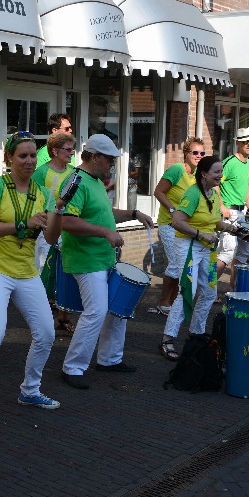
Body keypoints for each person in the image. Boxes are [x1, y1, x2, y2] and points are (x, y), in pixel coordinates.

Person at [0, 132, 66, 442]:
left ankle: (30, 390)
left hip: (25, 270)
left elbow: (49, 237)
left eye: (34, 155)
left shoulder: (43, 191)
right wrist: (24, 224)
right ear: (9, 158)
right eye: (23, 155)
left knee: (46, 333)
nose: (30, 161)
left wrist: (57, 210)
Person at [59, 134, 154, 389]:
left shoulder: (95, 181)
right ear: (94, 157)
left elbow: (104, 213)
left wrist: (134, 213)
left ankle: (109, 359)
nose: (112, 164)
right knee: (97, 312)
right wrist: (105, 233)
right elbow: (67, 220)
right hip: (85, 259)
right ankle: (73, 367)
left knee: (115, 310)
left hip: (101, 257)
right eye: (109, 159)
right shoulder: (76, 181)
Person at [160, 156, 245, 360]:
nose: (220, 175)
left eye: (221, 171)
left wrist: (234, 229)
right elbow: (177, 221)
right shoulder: (193, 193)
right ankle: (167, 339)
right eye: (216, 172)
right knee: (187, 291)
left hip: (208, 249)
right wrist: (200, 234)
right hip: (189, 247)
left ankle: (195, 334)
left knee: (208, 292)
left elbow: (214, 222)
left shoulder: (213, 194)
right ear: (204, 173)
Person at [32, 129, 78, 334]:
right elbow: (32, 198)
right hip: (46, 227)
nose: (71, 153)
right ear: (55, 151)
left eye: (72, 149)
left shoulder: (74, 172)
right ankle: (40, 317)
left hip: (66, 227)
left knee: (66, 271)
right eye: (68, 149)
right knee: (43, 271)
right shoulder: (42, 172)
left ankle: (63, 316)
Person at [151, 138, 202, 315]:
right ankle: (163, 302)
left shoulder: (197, 174)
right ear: (186, 154)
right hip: (169, 224)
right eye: (195, 153)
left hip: (184, 226)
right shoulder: (176, 170)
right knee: (175, 263)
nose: (199, 156)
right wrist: (172, 209)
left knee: (182, 264)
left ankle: (172, 302)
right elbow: (158, 191)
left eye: (202, 153)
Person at [216, 128, 249, 281]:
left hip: (242, 214)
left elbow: (246, 185)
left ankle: (232, 288)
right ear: (238, 143)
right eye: (245, 141)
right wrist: (222, 206)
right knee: (228, 252)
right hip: (229, 213)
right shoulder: (229, 162)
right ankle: (208, 288)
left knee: (245, 251)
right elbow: (215, 184)